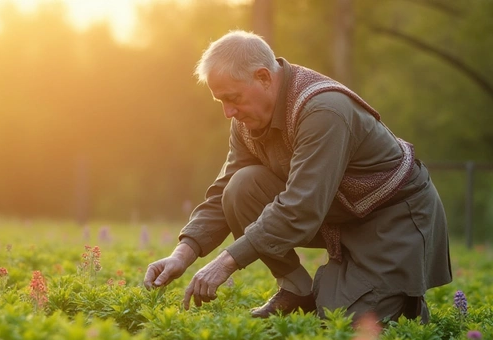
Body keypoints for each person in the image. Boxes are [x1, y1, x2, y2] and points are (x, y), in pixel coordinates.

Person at [143, 30, 451, 324]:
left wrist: (226, 262)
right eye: (221, 101)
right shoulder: (247, 120)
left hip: (391, 219)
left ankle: (401, 297)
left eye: (232, 97)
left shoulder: (323, 110)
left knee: (347, 326)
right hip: (337, 212)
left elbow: (301, 207)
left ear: (263, 77)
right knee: (240, 188)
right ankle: (297, 290)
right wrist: (182, 255)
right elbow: (223, 195)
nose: (228, 112)